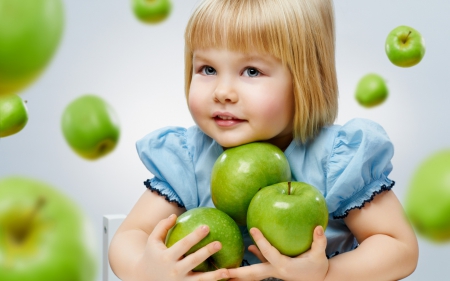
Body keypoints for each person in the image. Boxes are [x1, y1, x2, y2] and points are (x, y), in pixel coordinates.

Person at [108, 0, 419, 280]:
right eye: (207, 69)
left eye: (252, 71)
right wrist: (145, 270)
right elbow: (128, 236)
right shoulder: (189, 158)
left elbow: (398, 247)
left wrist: (325, 274)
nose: (222, 92)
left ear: (305, 80)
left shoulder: (336, 158)